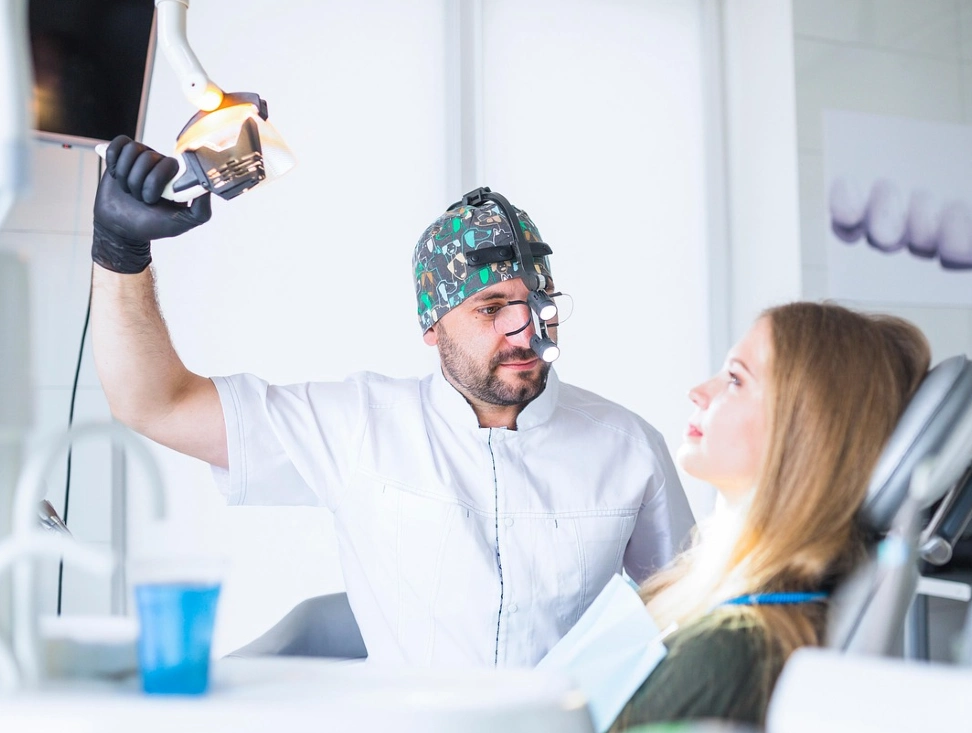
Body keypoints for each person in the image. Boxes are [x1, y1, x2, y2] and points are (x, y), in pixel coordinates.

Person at [89, 136, 694, 669]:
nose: (524, 330)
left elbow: (689, 625)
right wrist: (120, 253)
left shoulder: (630, 449)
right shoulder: (359, 426)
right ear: (432, 325)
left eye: (537, 303)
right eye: (490, 308)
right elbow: (156, 404)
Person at [610, 301, 931, 731]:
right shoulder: (698, 594)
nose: (699, 391)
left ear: (805, 430)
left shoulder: (727, 651)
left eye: (735, 379)